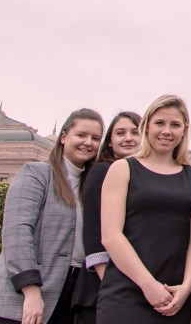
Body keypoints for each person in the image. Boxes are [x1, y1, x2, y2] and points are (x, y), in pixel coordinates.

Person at [0, 109, 104, 324]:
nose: (88, 143)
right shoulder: (37, 173)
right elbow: (17, 232)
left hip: (67, 296)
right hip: (19, 298)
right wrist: (31, 290)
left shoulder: (91, 185)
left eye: (95, 138)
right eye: (81, 135)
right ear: (63, 137)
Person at [97, 95, 191, 323]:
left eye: (175, 125)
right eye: (160, 123)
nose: (167, 131)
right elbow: (111, 236)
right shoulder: (123, 168)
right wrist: (148, 285)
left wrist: (187, 287)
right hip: (127, 294)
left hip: (175, 297)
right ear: (146, 126)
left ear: (184, 130)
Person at [72, 111, 142, 324]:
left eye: (134, 132)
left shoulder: (142, 173)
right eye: (120, 133)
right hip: (102, 288)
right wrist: (109, 283)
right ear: (110, 142)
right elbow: (94, 232)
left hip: (130, 285)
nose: (128, 138)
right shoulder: (103, 170)